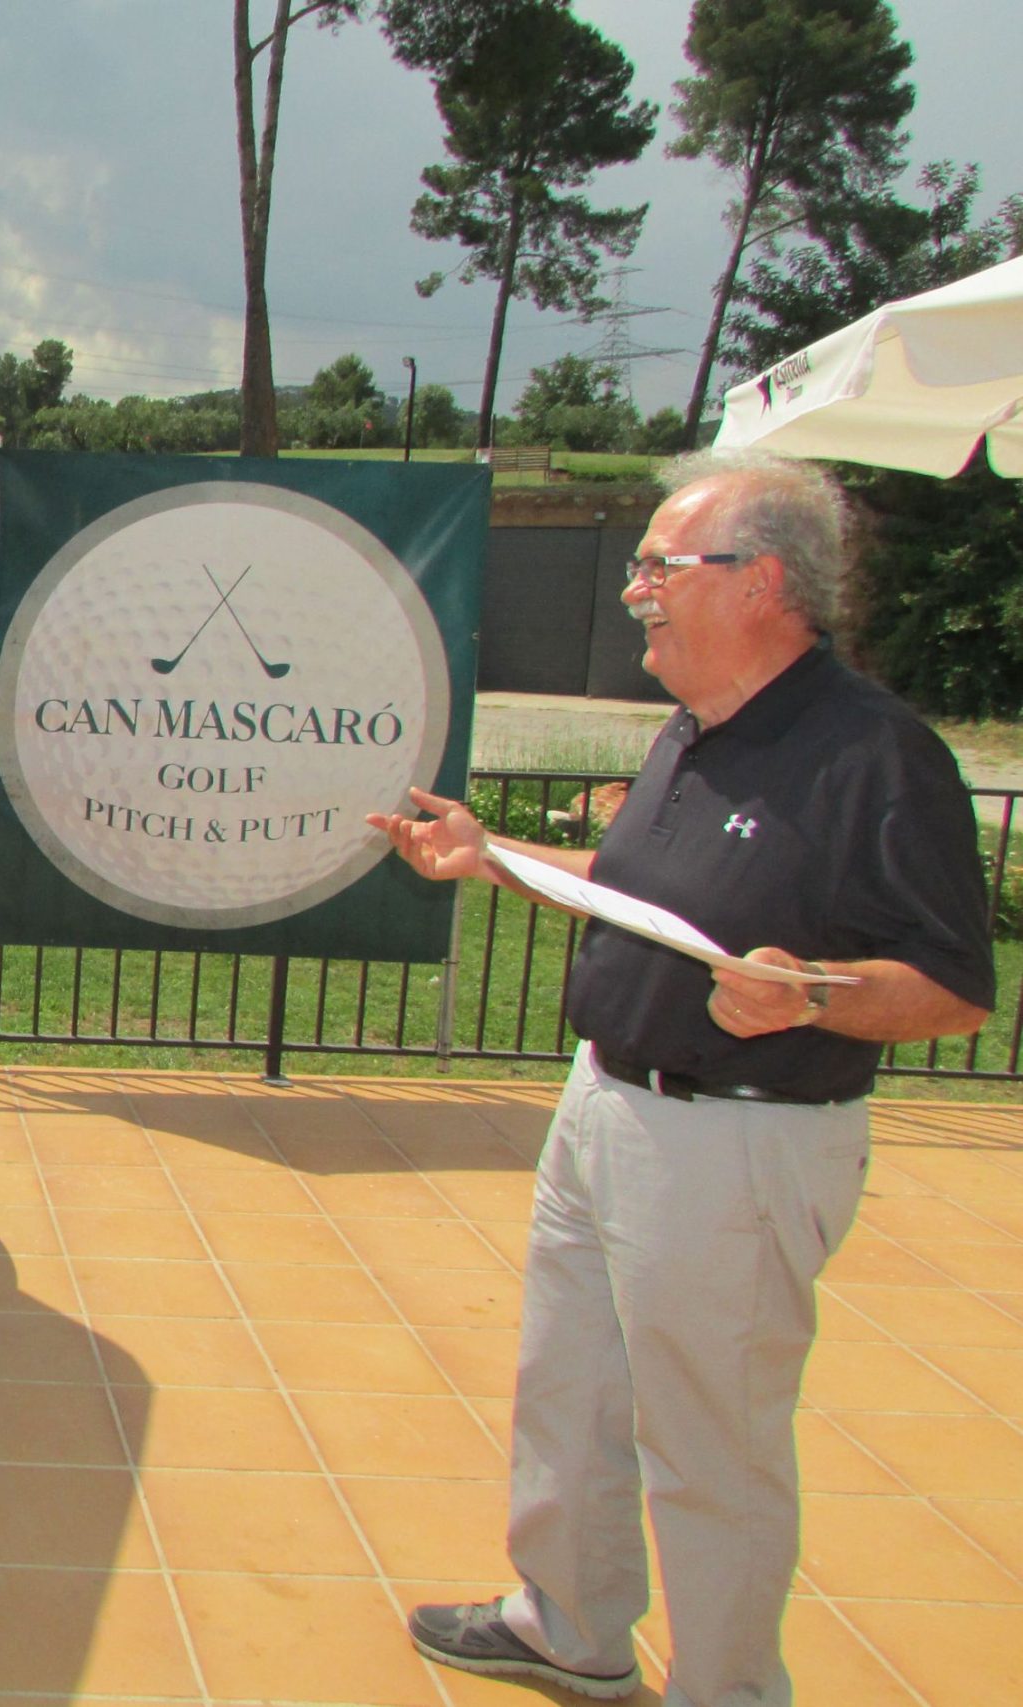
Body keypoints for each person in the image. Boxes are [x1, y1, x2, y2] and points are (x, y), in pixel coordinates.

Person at [368, 450, 994, 1705]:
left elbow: (953, 986)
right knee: (570, 1395)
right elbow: (629, 888)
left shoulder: (874, 753)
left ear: (761, 582)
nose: (632, 590)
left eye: (660, 565)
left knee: (712, 1447)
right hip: (606, 1108)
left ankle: (727, 1688)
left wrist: (809, 995)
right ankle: (567, 1625)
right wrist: (489, 855)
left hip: (737, 1148)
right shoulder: (694, 730)